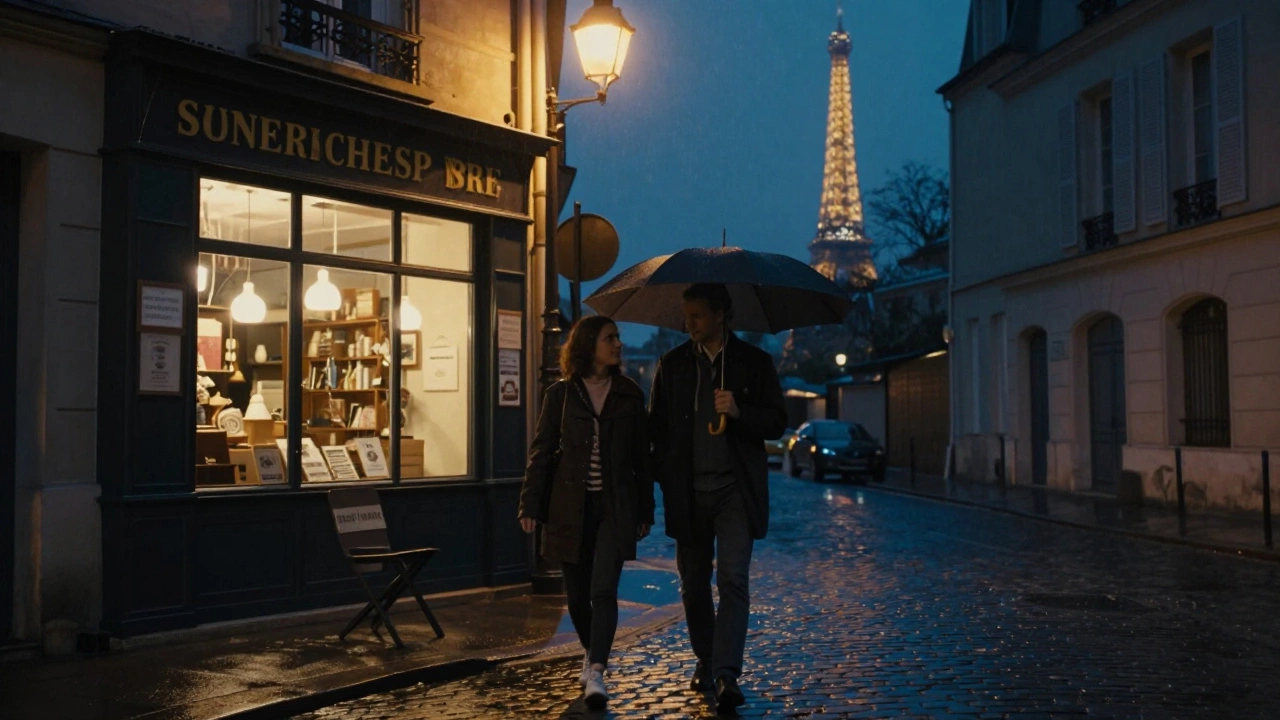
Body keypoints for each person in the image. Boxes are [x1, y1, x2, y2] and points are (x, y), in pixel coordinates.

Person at [648, 283, 787, 711]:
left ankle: (727, 673)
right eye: (686, 316)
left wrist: (740, 412)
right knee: (693, 585)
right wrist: (663, 476)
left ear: (721, 315)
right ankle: (705, 659)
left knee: (733, 581)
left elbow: (778, 422)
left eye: (697, 316)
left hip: (734, 492)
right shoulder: (672, 366)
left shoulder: (753, 363)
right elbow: (656, 429)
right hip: (688, 493)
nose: (688, 324)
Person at [518, 315, 654, 710]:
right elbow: (541, 453)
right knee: (577, 598)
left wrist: (645, 509)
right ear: (588, 345)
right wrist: (529, 502)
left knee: (602, 590)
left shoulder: (629, 394)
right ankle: (591, 651)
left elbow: (641, 460)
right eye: (610, 338)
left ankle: (596, 669)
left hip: (615, 507)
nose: (618, 344)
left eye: (618, 338)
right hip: (568, 508)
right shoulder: (560, 396)